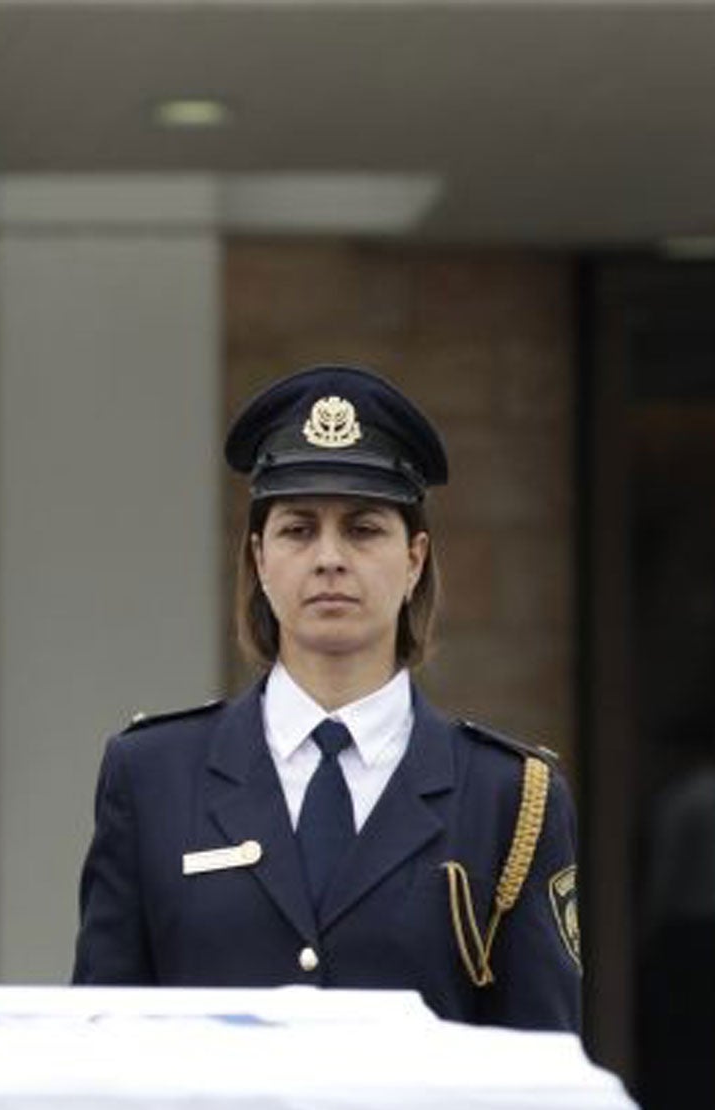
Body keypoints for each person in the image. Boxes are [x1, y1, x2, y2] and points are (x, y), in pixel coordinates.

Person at [72, 365, 580, 1032]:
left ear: (416, 559)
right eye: (298, 529)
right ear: (258, 557)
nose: (330, 558)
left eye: (364, 529)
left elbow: (539, 1068)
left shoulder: (506, 796)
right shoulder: (154, 776)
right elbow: (103, 1046)